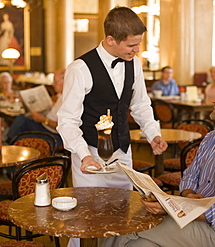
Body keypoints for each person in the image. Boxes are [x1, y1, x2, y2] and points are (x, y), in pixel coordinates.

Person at [103, 80, 215, 247]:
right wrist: (188, 196)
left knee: (130, 224)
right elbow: (189, 177)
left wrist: (173, 208)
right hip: (191, 219)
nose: (214, 101)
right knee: (136, 244)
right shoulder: (212, 138)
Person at [57, 6, 167, 247]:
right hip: (90, 155)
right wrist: (85, 156)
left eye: (138, 44)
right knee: (86, 220)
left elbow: (140, 104)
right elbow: (66, 121)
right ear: (110, 39)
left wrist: (153, 133)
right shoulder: (80, 68)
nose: (137, 50)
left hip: (122, 155)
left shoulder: (134, 63)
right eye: (131, 45)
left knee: (121, 216)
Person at [6, 69, 65, 147]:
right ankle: (9, 144)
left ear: (65, 80)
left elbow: (64, 127)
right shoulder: (62, 95)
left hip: (53, 134)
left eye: (55, 81)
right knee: (23, 118)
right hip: (45, 126)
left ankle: (9, 145)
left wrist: (43, 120)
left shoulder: (69, 99)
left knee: (20, 137)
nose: (53, 84)